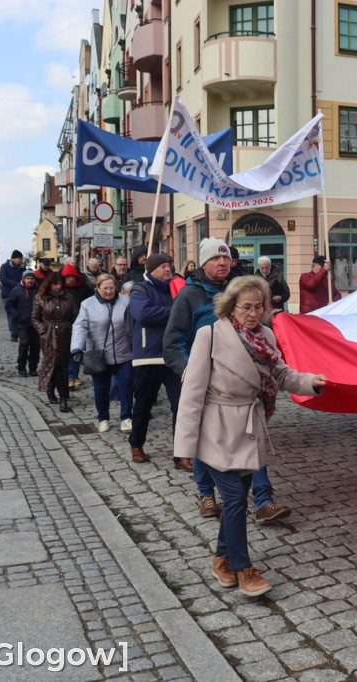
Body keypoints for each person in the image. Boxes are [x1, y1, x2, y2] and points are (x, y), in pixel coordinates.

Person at [174, 275, 326, 597]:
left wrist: (311, 382)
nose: (254, 313)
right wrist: (184, 446)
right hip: (215, 430)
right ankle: (244, 569)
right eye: (247, 307)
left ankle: (221, 560)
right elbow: (191, 394)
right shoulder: (210, 335)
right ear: (231, 306)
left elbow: (281, 374)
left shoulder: (266, 336)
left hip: (248, 427)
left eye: (259, 306)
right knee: (233, 499)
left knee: (234, 501)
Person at [165, 238, 294, 522]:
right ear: (203, 262)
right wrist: (191, 372)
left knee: (252, 436)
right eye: (215, 259)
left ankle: (263, 501)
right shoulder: (189, 296)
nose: (222, 263)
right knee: (206, 439)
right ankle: (207, 494)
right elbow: (173, 342)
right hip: (208, 382)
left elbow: (259, 329)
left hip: (244, 383)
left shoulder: (240, 289)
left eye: (225, 258)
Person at [128, 254, 184, 467]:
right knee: (143, 405)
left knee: (181, 405)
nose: (168, 269)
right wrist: (174, 312)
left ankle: (181, 454)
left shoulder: (175, 287)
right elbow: (144, 314)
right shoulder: (140, 289)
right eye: (163, 266)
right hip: (148, 356)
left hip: (173, 355)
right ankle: (136, 443)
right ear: (151, 270)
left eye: (170, 265)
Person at [71, 274, 133, 435]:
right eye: (105, 288)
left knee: (126, 386)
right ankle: (103, 418)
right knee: (101, 390)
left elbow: (134, 324)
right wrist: (77, 348)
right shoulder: (87, 305)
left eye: (111, 288)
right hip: (99, 356)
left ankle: (126, 418)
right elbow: (80, 326)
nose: (108, 291)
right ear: (97, 288)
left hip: (123, 353)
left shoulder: (125, 301)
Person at [32, 271, 79, 412]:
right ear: (49, 284)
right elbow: (34, 318)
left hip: (65, 335)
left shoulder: (69, 298)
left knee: (61, 365)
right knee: (55, 363)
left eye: (60, 284)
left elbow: (76, 316)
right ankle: (62, 396)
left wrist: (73, 330)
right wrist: (43, 330)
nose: (58, 287)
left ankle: (53, 388)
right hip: (48, 336)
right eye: (55, 284)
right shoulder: (40, 298)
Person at [5, 270, 41, 377]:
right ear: (23, 279)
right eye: (28, 278)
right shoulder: (16, 290)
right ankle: (21, 366)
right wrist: (16, 315)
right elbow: (9, 305)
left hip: (36, 323)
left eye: (32, 278)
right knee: (24, 343)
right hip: (22, 323)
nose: (30, 280)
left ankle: (33, 368)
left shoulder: (39, 290)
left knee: (36, 346)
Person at [62, 264, 93, 388]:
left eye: (72, 276)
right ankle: (70, 376)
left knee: (78, 351)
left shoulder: (83, 288)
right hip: (65, 325)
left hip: (81, 323)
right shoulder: (61, 290)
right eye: (68, 277)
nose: (70, 279)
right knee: (69, 352)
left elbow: (92, 300)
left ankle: (74, 375)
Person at [0, 250, 24, 341]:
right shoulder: (4, 267)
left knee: (20, 313)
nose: (21, 260)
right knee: (11, 314)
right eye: (20, 258)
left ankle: (20, 332)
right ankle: (14, 333)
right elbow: (3, 279)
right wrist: (16, 284)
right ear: (14, 258)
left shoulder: (22, 268)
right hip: (7, 295)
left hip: (19, 295)